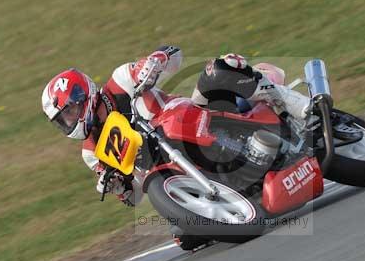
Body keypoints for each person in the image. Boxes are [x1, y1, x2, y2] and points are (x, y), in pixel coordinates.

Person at [41, 47, 313, 206]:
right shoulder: (91, 153)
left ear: (83, 95)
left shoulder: (119, 82)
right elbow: (136, 196)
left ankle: (302, 107)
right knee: (186, 237)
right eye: (62, 120)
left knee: (219, 68)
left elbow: (173, 54)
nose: (70, 121)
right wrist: (119, 188)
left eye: (71, 110)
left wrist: (154, 62)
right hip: (175, 174)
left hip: (193, 117)